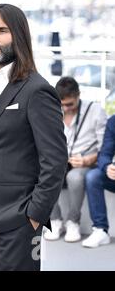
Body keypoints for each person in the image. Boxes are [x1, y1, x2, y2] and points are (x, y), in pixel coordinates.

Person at [0, 4, 68, 271]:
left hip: (19, 217)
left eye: (1, 30)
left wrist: (35, 214)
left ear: (18, 35)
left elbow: (55, 159)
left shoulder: (37, 90)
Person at [44, 77, 107, 242]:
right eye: (62, 104)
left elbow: (104, 148)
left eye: (70, 104)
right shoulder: (52, 111)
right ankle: (54, 220)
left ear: (78, 95)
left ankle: (73, 222)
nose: (66, 108)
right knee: (41, 172)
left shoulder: (95, 110)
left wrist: (87, 160)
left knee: (75, 177)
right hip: (60, 161)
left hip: (85, 162)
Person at [83, 115, 115, 248]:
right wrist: (108, 167)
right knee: (93, 177)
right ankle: (101, 230)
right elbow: (105, 153)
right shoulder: (113, 121)